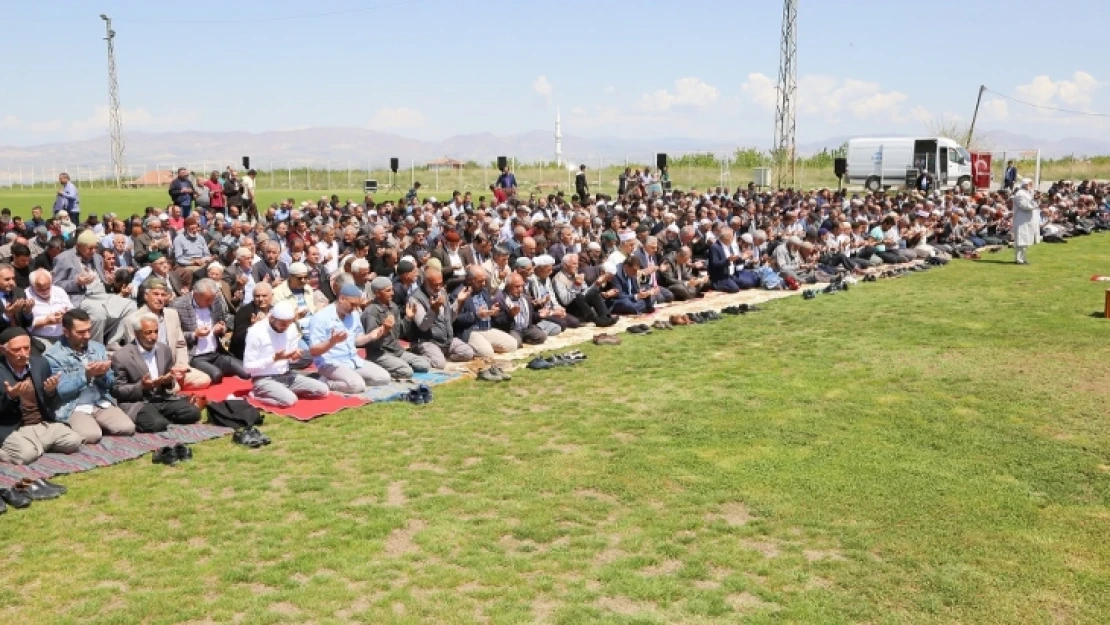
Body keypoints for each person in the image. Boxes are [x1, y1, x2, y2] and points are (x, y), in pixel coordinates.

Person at [44, 309, 136, 444]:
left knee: (127, 428)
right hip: (73, 406)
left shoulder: (97, 348)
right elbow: (61, 391)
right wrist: (86, 376)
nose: (87, 335)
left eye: (88, 330)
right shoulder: (53, 356)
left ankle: (94, 423)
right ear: (66, 332)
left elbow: (110, 383)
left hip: (99, 402)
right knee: (92, 436)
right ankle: (77, 425)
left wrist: (102, 375)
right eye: (80, 332)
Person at [111, 277, 211, 390]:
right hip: (150, 371)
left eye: (163, 295)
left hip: (174, 367)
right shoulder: (134, 320)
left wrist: (181, 366)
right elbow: (137, 353)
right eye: (156, 294)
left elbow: (181, 344)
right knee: (173, 388)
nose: (160, 298)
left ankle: (172, 388)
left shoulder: (172, 314)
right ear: (146, 296)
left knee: (204, 380)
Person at [109, 313, 201, 433]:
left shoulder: (164, 350)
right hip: (138, 402)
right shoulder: (121, 356)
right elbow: (117, 390)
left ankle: (159, 418)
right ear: (137, 333)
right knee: (156, 424)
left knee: (193, 413)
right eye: (148, 332)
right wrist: (141, 387)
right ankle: (155, 419)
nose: (154, 336)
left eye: (156, 331)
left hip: (161, 399)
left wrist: (169, 380)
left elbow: (169, 381)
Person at [0, 327, 79, 465]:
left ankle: (35, 446)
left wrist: (50, 391)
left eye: (26, 348)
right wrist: (11, 397)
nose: (23, 353)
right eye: (17, 350)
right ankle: (28, 448)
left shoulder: (40, 364)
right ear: (3, 350)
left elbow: (51, 404)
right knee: (26, 455)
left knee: (73, 441)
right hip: (14, 428)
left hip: (41, 424)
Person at [53, 230, 136, 344]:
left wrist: (109, 281)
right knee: (98, 314)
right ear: (79, 246)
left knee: (130, 305)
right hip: (82, 297)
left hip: (102, 295)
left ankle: (112, 343)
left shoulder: (97, 257)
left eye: (95, 248)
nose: (93, 251)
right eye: (89, 248)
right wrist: (76, 282)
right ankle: (95, 348)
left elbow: (101, 279)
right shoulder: (63, 259)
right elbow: (56, 285)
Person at [242, 301, 330, 407]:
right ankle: (256, 395)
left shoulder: (291, 327)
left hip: (286, 375)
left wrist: (294, 357)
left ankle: (280, 391)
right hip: (263, 378)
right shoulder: (256, 331)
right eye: (283, 324)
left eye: (289, 323)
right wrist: (274, 358)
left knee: (323, 391)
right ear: (273, 318)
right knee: (290, 401)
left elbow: (290, 357)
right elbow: (247, 367)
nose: (286, 327)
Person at [308, 284, 391, 394]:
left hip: (352, 360)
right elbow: (314, 351)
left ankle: (348, 379)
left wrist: (370, 336)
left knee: (384, 378)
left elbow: (356, 340)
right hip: (330, 362)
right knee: (357, 386)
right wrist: (332, 342)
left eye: (357, 305)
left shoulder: (354, 315)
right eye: (352, 305)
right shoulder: (321, 318)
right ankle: (324, 383)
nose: (354, 309)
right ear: (341, 299)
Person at [169, 279, 246, 384]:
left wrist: (222, 328)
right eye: (207, 300)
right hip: (195, 356)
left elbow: (224, 321)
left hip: (216, 353)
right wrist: (194, 334)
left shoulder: (216, 300)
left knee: (246, 371)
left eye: (212, 299)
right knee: (216, 375)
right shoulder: (178, 305)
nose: (210, 302)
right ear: (196, 294)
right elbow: (173, 336)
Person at [361, 277, 431, 380]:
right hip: (380, 354)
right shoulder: (371, 312)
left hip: (396, 351)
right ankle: (378, 366)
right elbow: (371, 342)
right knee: (406, 371)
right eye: (388, 291)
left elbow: (400, 332)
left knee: (424, 365)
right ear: (377, 293)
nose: (392, 293)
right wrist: (384, 330)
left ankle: (396, 365)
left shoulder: (393, 307)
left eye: (392, 290)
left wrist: (408, 318)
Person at [408, 266, 475, 368]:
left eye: (440, 284)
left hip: (446, 340)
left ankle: (440, 356)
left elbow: (450, 318)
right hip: (427, 341)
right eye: (435, 285)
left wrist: (459, 301)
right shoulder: (415, 298)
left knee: (468, 353)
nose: (439, 287)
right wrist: (433, 309)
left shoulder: (442, 292)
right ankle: (420, 357)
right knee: (439, 364)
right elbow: (423, 326)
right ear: (426, 282)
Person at [0, 264, 34, 335]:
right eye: (7, 279)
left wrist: (27, 312)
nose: (12, 283)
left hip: (22, 337)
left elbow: (27, 324)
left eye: (13, 278)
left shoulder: (19, 292)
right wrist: (8, 315)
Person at [1012, 178, 1041, 265]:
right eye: (1030, 184)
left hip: (1027, 220)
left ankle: (1023, 258)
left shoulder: (1028, 193)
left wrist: (1036, 199)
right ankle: (1019, 259)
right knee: (1021, 240)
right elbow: (1025, 206)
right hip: (1021, 220)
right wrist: (1035, 200)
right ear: (1025, 184)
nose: (1031, 186)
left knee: (1025, 241)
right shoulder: (1020, 194)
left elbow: (1034, 205)